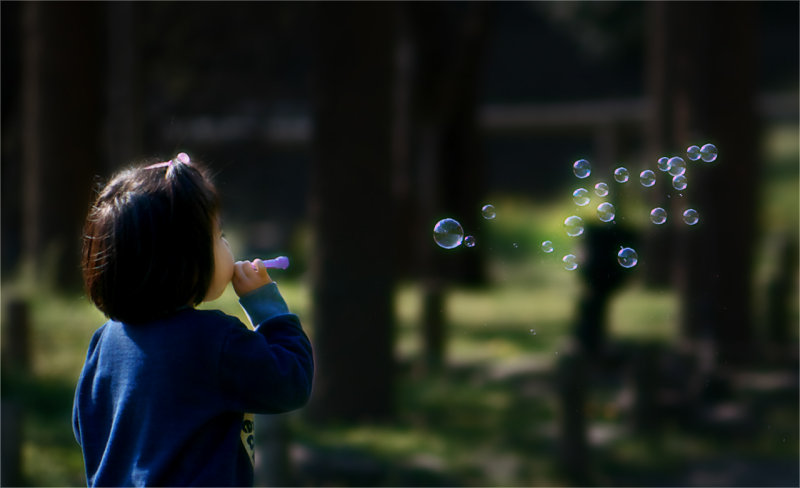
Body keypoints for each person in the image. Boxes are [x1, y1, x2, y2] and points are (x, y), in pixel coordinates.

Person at [72, 153, 314, 487]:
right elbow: (292, 382)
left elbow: (86, 427)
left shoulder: (104, 342)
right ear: (186, 259)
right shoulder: (214, 340)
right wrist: (266, 306)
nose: (227, 244)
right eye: (219, 235)